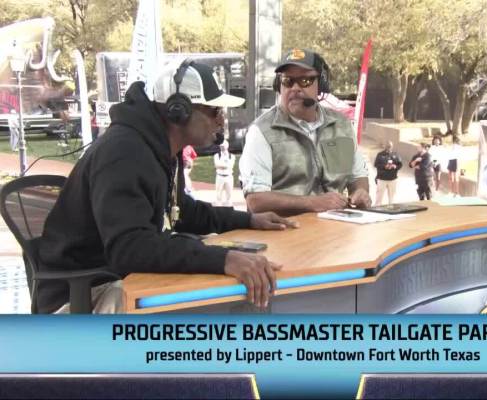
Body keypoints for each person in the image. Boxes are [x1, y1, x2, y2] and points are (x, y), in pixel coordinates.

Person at [37, 59, 297, 314]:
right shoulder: (124, 154)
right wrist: (223, 259)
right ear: (179, 111)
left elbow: (182, 211)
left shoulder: (163, 150)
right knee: (209, 299)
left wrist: (249, 220)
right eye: (214, 111)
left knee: (220, 290)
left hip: (118, 277)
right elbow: (129, 247)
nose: (221, 121)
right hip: (84, 294)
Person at [239, 48, 371, 216]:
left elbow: (357, 177)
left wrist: (360, 192)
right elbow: (256, 201)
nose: (294, 88)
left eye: (305, 80)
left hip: (336, 227)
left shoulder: (341, 126)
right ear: (278, 85)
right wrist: (313, 203)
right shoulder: (261, 131)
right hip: (286, 229)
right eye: (287, 81)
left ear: (321, 84)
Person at [373, 141, 402, 205]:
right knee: (379, 198)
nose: (389, 147)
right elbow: (376, 165)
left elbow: (400, 165)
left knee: (391, 198)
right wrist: (384, 166)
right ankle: (377, 208)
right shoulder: (380, 155)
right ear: (385, 146)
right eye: (387, 146)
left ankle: (391, 208)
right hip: (382, 179)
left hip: (392, 179)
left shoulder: (396, 154)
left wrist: (395, 166)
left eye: (390, 146)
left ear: (392, 147)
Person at [214, 140, 235, 206]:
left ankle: (228, 206)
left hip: (229, 177)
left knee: (229, 194)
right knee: (218, 194)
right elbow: (217, 165)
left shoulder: (232, 156)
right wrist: (225, 165)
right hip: (219, 176)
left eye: (223, 146)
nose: (222, 147)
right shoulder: (217, 155)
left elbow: (230, 165)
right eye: (221, 146)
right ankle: (218, 206)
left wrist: (221, 165)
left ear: (227, 146)